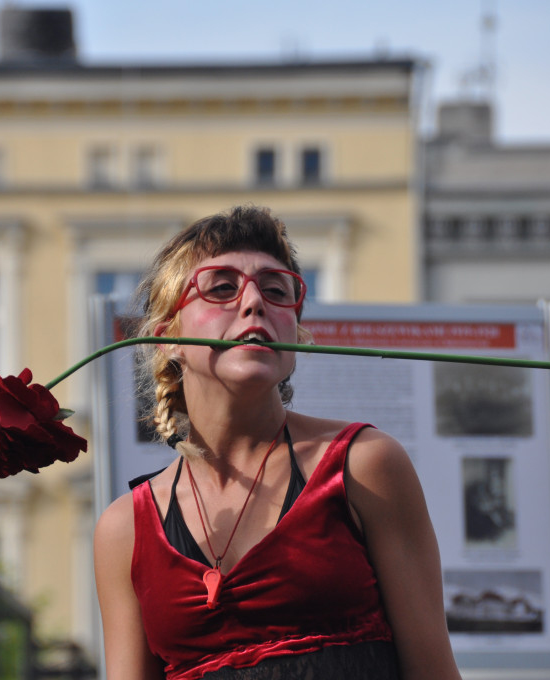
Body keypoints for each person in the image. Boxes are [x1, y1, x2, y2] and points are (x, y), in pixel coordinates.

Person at [94, 205, 461, 680]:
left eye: (275, 290)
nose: (253, 303)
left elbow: (433, 671)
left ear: (296, 335)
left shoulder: (363, 465)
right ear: (168, 339)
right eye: (222, 288)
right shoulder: (125, 528)